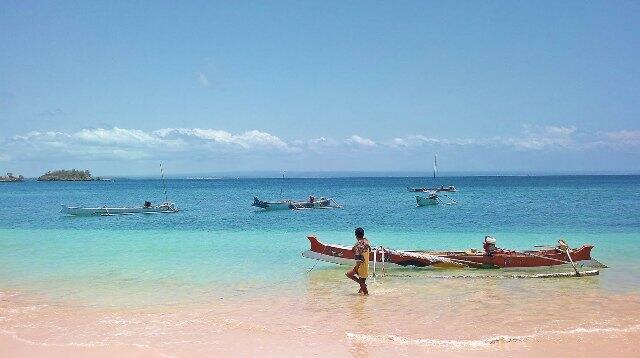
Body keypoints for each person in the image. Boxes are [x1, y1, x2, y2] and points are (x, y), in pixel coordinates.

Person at [345, 227, 370, 295]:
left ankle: (366, 294)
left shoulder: (357, 246)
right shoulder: (366, 242)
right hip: (366, 265)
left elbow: (358, 259)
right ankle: (364, 300)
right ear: (363, 234)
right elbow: (369, 250)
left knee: (348, 274)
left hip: (360, 266)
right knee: (361, 288)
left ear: (355, 235)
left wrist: (357, 267)